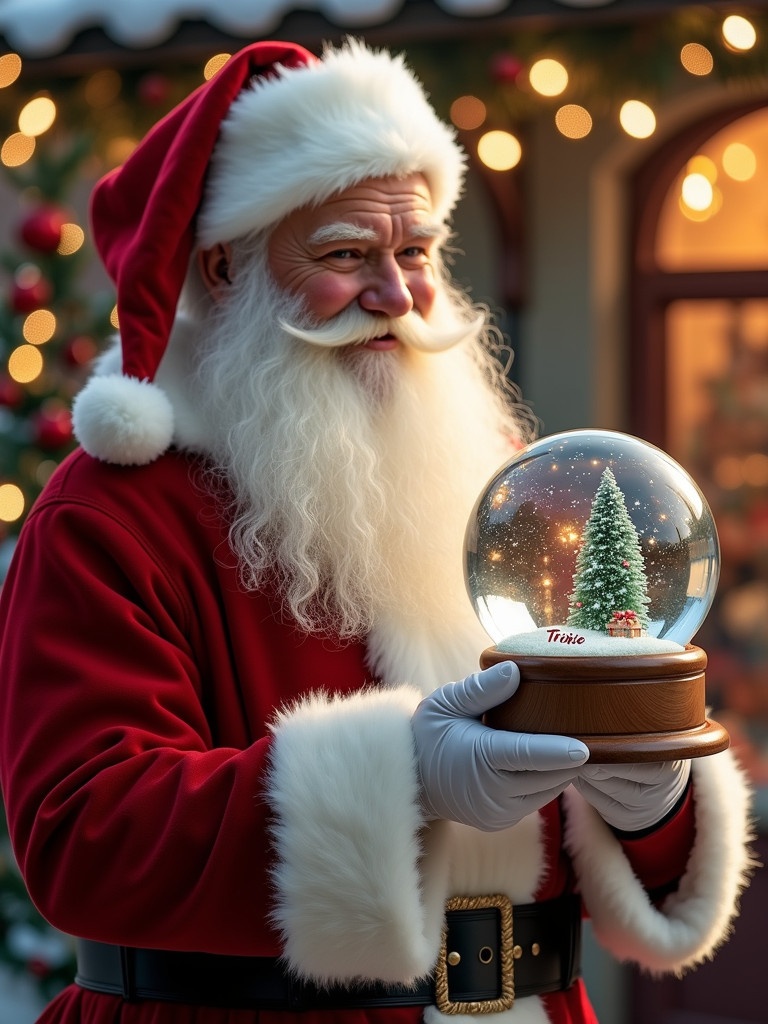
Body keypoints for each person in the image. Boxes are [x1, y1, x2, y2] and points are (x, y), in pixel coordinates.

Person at [0, 37, 752, 1024]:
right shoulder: (114, 512)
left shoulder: (494, 484)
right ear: (223, 268)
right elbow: (84, 834)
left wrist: (649, 806)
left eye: (417, 252)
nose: (398, 296)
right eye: (347, 254)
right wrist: (406, 774)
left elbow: (595, 800)